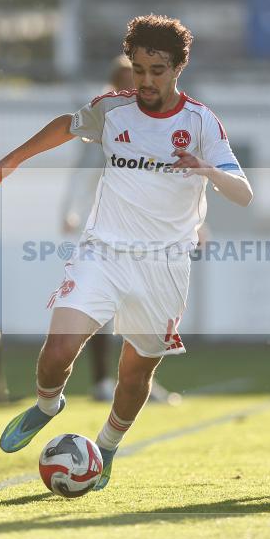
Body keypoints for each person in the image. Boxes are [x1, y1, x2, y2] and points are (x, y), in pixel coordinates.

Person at [0, 14, 252, 490]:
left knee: (134, 371)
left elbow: (243, 193)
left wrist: (207, 168)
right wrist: (12, 159)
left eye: (157, 70)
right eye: (138, 69)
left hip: (164, 266)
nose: (145, 80)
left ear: (178, 68)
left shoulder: (201, 122)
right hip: (103, 251)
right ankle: (47, 404)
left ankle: (105, 448)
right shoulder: (112, 110)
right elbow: (66, 125)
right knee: (58, 348)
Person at [60, 54, 180, 404]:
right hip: (105, 228)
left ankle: (138, 381)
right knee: (101, 305)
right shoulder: (103, 119)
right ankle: (100, 381)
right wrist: (70, 212)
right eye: (130, 78)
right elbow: (82, 173)